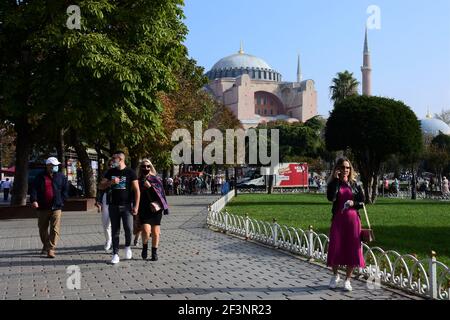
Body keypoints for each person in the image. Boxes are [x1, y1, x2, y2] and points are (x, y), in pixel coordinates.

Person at [326, 158, 365, 292]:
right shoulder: (333, 183)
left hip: (353, 221)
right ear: (337, 168)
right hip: (338, 220)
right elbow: (331, 198)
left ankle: (347, 280)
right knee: (335, 247)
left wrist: (354, 203)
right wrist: (337, 181)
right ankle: (335, 275)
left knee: (352, 249)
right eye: (342, 167)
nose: (345, 170)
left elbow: (362, 202)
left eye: (347, 167)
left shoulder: (355, 183)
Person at [98, 151, 140, 265]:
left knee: (128, 228)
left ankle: (127, 247)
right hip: (113, 205)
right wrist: (110, 182)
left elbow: (137, 190)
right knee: (115, 230)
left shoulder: (130, 172)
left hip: (127, 206)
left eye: (113, 158)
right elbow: (100, 186)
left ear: (120, 159)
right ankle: (115, 253)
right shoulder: (110, 172)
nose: (112, 160)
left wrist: (136, 206)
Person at [30, 157, 68, 258]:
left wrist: (62, 199)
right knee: (42, 228)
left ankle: (51, 249)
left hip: (56, 206)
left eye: (56, 165)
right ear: (48, 166)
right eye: (53, 165)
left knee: (55, 228)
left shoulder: (61, 176)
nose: (55, 167)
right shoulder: (39, 177)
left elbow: (65, 190)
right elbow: (33, 189)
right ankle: (46, 245)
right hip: (42, 207)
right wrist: (34, 200)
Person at [137, 159, 169, 261]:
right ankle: (145, 247)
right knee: (146, 231)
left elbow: (161, 195)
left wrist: (150, 187)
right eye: (143, 166)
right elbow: (134, 196)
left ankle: (154, 252)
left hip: (155, 210)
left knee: (155, 232)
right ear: (140, 168)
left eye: (148, 166)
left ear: (151, 167)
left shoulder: (156, 179)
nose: (145, 168)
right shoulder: (137, 181)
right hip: (143, 209)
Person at [95, 159, 113, 252]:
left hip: (117, 202)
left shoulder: (121, 174)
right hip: (106, 201)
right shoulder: (105, 174)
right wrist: (98, 201)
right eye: (110, 164)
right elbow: (99, 188)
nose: (111, 166)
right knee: (106, 224)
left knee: (115, 224)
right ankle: (108, 240)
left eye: (113, 164)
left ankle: (114, 241)